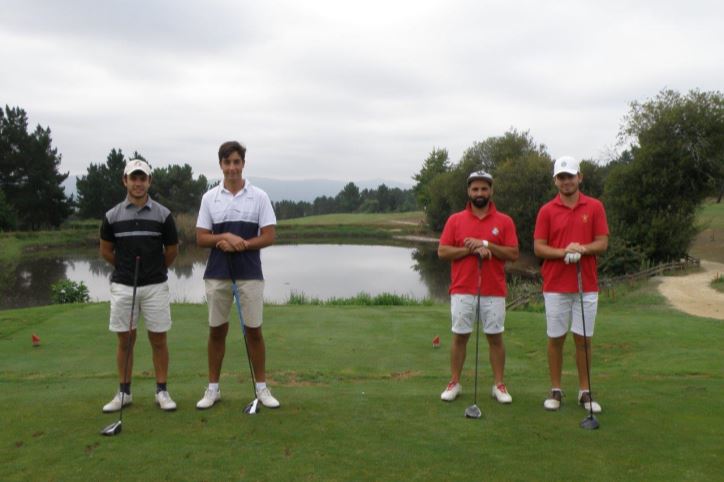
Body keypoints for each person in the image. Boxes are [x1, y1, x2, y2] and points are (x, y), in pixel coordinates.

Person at [195, 141, 280, 410]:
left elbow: (268, 236)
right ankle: (213, 389)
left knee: (254, 331)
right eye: (227, 162)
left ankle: (262, 388)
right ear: (221, 165)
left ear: (243, 164)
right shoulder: (210, 198)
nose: (232, 167)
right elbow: (201, 238)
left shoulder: (260, 197)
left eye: (236, 162)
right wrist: (224, 237)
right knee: (217, 331)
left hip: (249, 274)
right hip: (218, 274)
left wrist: (242, 244)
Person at [100, 159, 179, 412]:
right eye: (133, 178)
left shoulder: (163, 215)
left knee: (159, 339)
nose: (138, 183)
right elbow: (106, 251)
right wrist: (124, 268)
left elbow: (172, 250)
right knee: (126, 340)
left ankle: (162, 391)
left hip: (155, 285)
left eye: (142, 178)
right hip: (124, 285)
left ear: (149, 182)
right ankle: (124, 393)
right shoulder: (112, 216)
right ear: (125, 181)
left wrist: (157, 268)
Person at [533, 155, 609, 413]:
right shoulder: (547, 211)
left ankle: (585, 391)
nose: (567, 181)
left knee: (584, 339)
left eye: (571, 176)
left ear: (580, 177)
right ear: (555, 180)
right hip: (555, 285)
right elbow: (539, 248)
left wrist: (583, 249)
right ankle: (555, 389)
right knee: (555, 338)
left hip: (586, 284)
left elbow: (602, 242)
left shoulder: (595, 207)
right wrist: (565, 252)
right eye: (562, 177)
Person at [438, 171, 519, 404]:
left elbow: (513, 253)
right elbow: (443, 251)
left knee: (495, 337)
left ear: (491, 191)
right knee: (460, 336)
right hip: (463, 288)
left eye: (484, 189)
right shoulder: (455, 220)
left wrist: (487, 245)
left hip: (493, 289)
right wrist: (471, 250)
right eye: (475, 189)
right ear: (468, 192)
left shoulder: (504, 221)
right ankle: (454, 381)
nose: (480, 193)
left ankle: (499, 385)